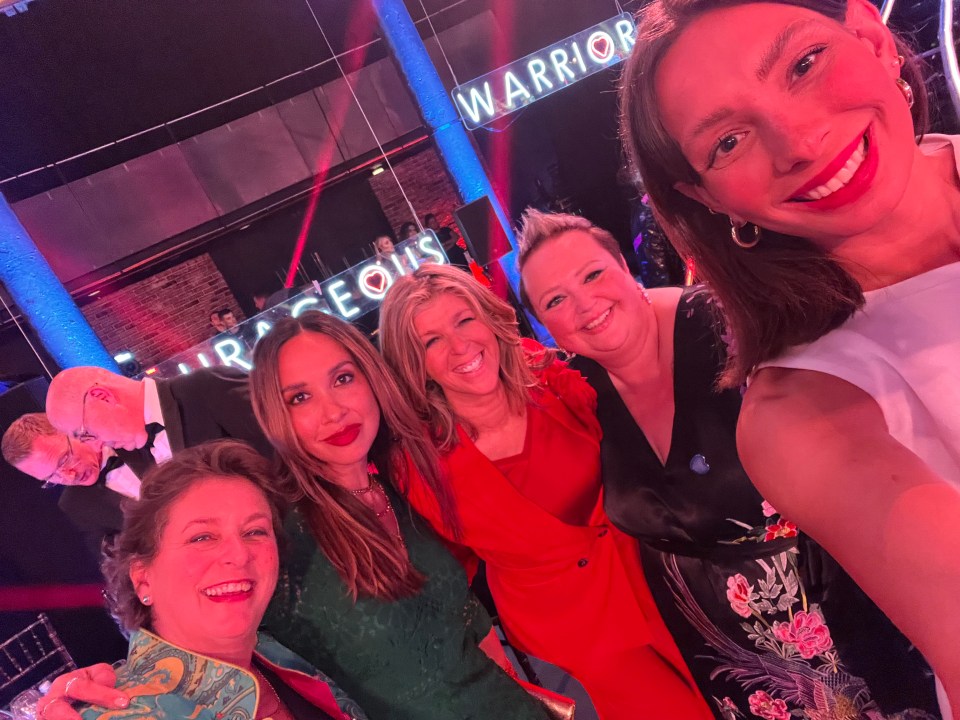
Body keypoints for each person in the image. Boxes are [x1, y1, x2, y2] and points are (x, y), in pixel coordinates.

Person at [618, 0, 960, 712]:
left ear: (871, 36)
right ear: (706, 199)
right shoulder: (805, 410)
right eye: (729, 143)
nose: (797, 141)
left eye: (804, 65)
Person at [517, 208, 940, 719]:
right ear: (544, 325)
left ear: (626, 267)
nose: (585, 305)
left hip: (843, 622)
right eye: (556, 300)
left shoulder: (730, 326)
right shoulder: (576, 392)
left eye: (592, 274)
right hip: (723, 662)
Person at [37, 314, 555, 720]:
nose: (331, 413)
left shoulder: (401, 483)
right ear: (273, 415)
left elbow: (464, 615)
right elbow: (199, 643)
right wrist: (107, 689)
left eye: (344, 379)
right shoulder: (275, 541)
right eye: (300, 397)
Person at [378, 263, 712, 720]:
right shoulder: (416, 467)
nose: (460, 347)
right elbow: (451, 566)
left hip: (670, 581)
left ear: (489, 318)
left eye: (464, 320)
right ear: (414, 364)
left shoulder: (554, 378)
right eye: (430, 341)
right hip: (577, 642)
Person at [36, 440, 367, 720]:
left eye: (255, 531)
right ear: (142, 577)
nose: (238, 555)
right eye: (201, 537)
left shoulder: (275, 653)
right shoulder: (119, 711)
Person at [44, 365, 271, 545]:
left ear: (102, 396)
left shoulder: (207, 387)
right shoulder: (135, 452)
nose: (97, 444)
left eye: (86, 434)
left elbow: (291, 459)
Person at [2, 413, 140, 557]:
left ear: (73, 432)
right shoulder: (74, 504)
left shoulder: (130, 434)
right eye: (52, 477)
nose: (70, 475)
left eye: (64, 460)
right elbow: (114, 557)